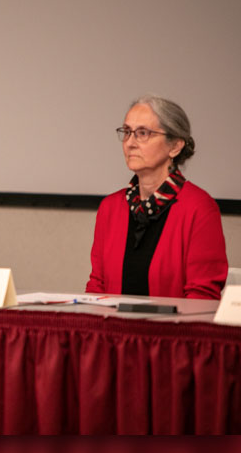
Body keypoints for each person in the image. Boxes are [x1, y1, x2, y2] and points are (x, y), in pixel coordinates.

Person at [86, 96, 227, 300]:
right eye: (127, 132)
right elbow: (97, 286)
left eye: (143, 133)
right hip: (113, 321)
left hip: (176, 322)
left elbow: (202, 297)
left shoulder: (199, 208)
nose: (130, 143)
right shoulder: (110, 208)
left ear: (175, 146)